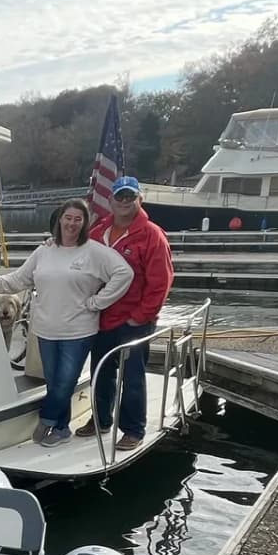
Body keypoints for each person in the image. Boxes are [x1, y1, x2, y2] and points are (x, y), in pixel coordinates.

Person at [0, 198, 133, 447]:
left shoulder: (94, 251)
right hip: (45, 329)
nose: (72, 223)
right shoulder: (44, 251)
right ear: (60, 220)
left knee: (65, 382)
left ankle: (47, 420)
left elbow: (124, 273)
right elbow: (19, 279)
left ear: (84, 224)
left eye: (78, 219)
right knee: (53, 382)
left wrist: (97, 302)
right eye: (68, 218)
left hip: (79, 330)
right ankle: (61, 429)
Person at [77, 176, 175, 451]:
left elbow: (161, 282)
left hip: (135, 321)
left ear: (139, 200)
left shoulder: (152, 235)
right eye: (119, 197)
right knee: (101, 371)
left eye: (129, 197)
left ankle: (133, 429)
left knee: (132, 376)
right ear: (111, 201)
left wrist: (141, 316)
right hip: (102, 318)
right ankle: (100, 420)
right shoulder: (98, 232)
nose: (123, 202)